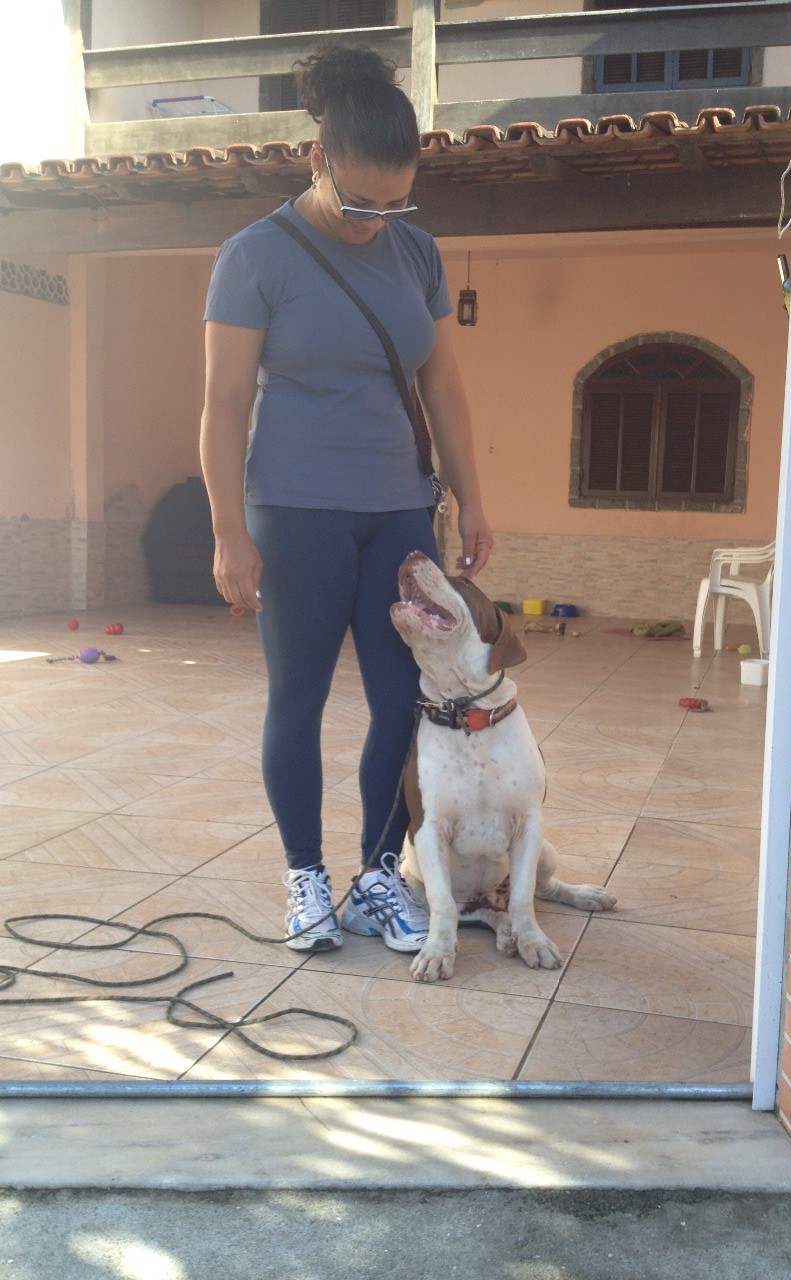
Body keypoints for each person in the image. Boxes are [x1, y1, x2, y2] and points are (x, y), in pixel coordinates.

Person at [200, 43, 493, 956]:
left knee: (402, 700)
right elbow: (223, 403)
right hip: (294, 512)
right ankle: (305, 877)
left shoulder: (418, 253)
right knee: (298, 699)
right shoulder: (254, 256)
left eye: (396, 203)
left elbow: (444, 387)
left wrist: (473, 499)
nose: (377, 221)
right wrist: (228, 533)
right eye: (361, 201)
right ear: (316, 158)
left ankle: (376, 876)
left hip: (399, 510)